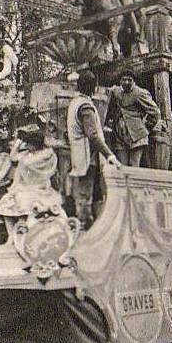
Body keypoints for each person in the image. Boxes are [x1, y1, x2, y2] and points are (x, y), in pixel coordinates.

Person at [67, 71, 121, 229]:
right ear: (94, 87)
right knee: (86, 194)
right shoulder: (86, 107)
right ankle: (85, 227)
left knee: (85, 193)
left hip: (79, 152)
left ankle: (87, 224)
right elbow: (93, 135)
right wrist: (109, 155)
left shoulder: (75, 102)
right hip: (87, 155)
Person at [0, 120, 62, 236]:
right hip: (25, 187)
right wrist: (19, 143)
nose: (26, 146)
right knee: (7, 204)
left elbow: (23, 161)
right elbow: (13, 157)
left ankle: (24, 232)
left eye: (28, 143)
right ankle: (12, 237)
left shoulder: (44, 155)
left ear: (34, 144)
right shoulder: (29, 154)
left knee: (22, 202)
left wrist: (19, 145)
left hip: (39, 188)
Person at [105, 70, 160, 167]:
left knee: (133, 165)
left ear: (134, 81)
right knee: (121, 165)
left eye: (129, 80)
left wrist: (146, 127)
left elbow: (155, 112)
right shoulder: (117, 91)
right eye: (123, 80)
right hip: (121, 135)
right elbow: (111, 90)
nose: (126, 82)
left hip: (137, 136)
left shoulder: (140, 93)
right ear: (120, 81)